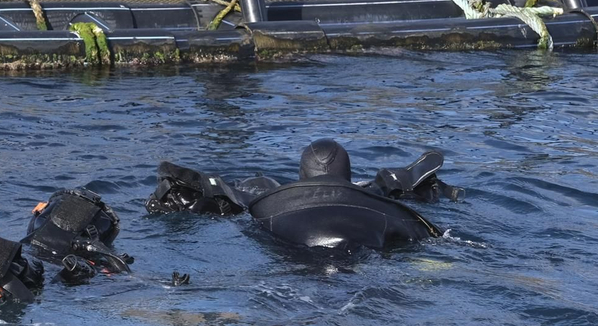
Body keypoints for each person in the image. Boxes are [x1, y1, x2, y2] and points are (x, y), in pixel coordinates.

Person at [146, 139, 454, 251]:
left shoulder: (266, 207)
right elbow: (440, 239)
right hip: (363, 264)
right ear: (347, 176)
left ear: (300, 176)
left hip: (292, 256)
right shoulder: (385, 210)